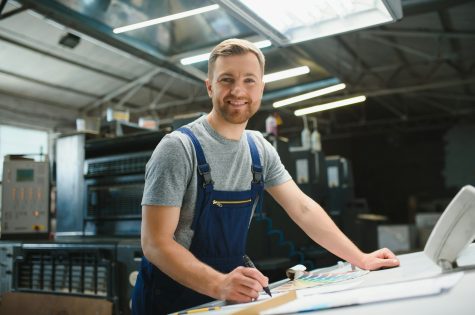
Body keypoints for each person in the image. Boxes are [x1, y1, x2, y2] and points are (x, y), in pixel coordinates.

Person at [131, 38, 400, 315]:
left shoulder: (259, 149)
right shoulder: (179, 148)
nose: (238, 90)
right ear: (210, 86)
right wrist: (219, 284)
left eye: (249, 80)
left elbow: (303, 208)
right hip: (170, 300)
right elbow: (155, 243)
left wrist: (361, 258)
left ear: (261, 87)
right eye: (226, 79)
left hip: (225, 298)